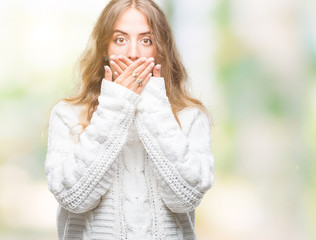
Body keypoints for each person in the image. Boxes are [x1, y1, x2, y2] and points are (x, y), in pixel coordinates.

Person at [44, 0, 214, 239]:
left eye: (146, 40)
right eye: (120, 39)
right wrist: (116, 105)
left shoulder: (190, 116)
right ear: (105, 48)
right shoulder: (67, 114)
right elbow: (74, 198)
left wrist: (154, 105)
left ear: (161, 49)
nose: (133, 53)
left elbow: (186, 198)